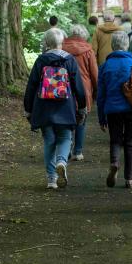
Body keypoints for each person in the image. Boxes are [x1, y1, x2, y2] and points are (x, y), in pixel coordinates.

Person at [24, 28, 87, 189]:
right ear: (62, 42)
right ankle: (61, 161)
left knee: (49, 141)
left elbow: (31, 86)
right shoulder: (69, 60)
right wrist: (82, 107)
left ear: (47, 42)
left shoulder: (41, 60)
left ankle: (51, 179)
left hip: (44, 106)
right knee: (66, 137)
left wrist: (28, 108)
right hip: (65, 107)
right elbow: (78, 86)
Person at [97, 31, 132, 189]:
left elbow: (101, 94)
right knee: (129, 142)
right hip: (131, 109)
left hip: (112, 109)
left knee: (115, 140)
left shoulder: (105, 66)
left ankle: (115, 163)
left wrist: (101, 117)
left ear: (112, 46)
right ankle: (130, 179)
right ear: (127, 45)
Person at [63, 24, 98, 161]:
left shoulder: (62, 48)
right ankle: (78, 151)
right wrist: (97, 91)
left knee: (66, 118)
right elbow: (94, 74)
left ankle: (66, 149)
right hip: (84, 88)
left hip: (65, 86)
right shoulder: (88, 50)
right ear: (84, 35)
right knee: (81, 120)